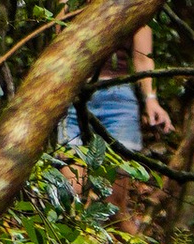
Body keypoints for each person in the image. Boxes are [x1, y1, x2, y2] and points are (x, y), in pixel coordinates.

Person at [59, 25, 172, 174]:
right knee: (72, 188)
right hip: (75, 95)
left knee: (114, 185)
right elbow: (60, 49)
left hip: (118, 101)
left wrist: (151, 99)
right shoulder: (71, 6)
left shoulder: (133, 6)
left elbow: (143, 59)